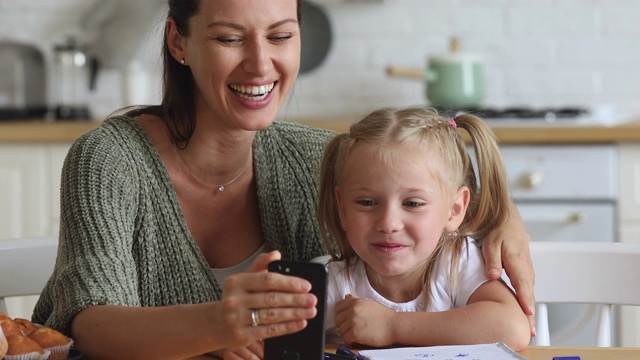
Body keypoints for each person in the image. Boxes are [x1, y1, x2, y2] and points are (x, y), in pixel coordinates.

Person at [31, 0, 534, 359]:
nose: (260, 64)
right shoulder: (108, 160)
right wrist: (216, 327)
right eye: (229, 38)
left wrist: (502, 219)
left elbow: (428, 188)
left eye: (280, 35)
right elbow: (90, 326)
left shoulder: (319, 157)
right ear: (178, 41)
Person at [318, 107, 531, 351]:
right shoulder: (337, 283)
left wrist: (392, 326)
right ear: (342, 208)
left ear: (454, 210)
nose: (388, 224)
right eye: (367, 202)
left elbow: (512, 328)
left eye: (412, 204)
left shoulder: (456, 262)